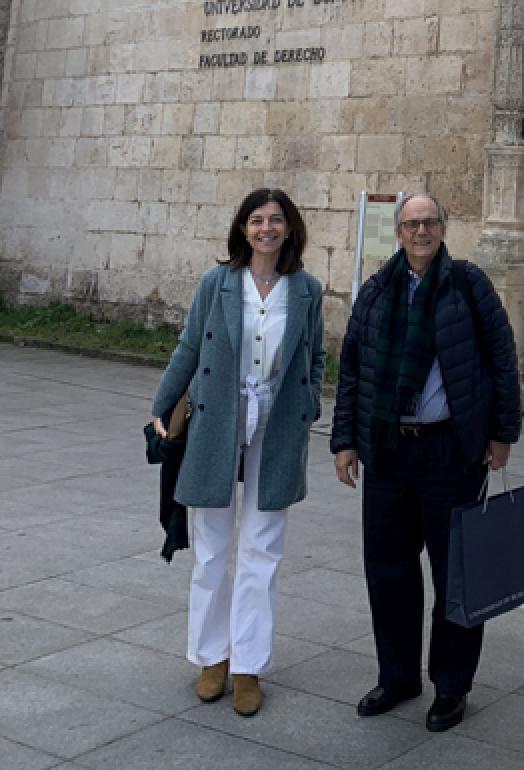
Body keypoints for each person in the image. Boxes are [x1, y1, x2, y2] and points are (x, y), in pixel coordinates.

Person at [330, 193, 521, 732]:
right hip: (389, 449)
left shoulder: (468, 285)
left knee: (456, 574)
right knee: (388, 571)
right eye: (411, 224)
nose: (420, 232)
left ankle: (451, 686)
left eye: (429, 222)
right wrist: (344, 440)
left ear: (442, 228)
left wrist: (502, 432)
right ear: (398, 232)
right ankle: (397, 677)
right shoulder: (376, 292)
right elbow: (352, 371)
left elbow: (502, 359)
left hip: (450, 451)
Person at [150, 188, 325, 717]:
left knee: (262, 553)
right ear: (243, 229)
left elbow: (316, 354)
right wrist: (162, 403)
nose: (266, 228)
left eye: (275, 220)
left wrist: (307, 407)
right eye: (256, 220)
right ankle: (211, 657)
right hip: (216, 425)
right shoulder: (217, 282)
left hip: (276, 431)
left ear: (290, 228)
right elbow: (189, 346)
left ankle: (248, 664)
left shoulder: (307, 289)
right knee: (209, 551)